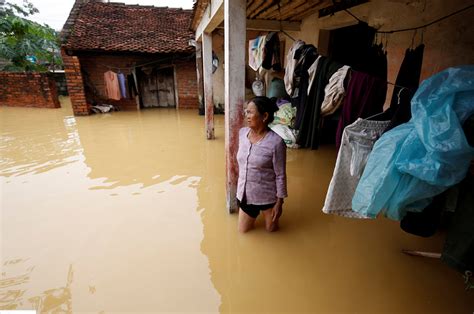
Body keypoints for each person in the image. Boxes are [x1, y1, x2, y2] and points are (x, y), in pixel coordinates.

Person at [236, 96, 288, 233]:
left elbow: (280, 175)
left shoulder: (276, 143)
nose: (247, 116)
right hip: (246, 195)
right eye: (246, 112)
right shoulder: (242, 134)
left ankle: (270, 211)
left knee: (272, 231)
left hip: (268, 196)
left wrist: (279, 202)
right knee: (243, 232)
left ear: (264, 116)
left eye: (251, 112)